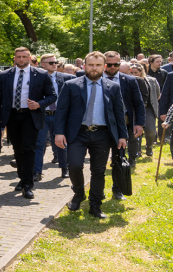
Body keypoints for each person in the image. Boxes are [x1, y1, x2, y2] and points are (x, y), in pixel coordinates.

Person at [54, 52, 128, 219]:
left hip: (102, 135)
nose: (94, 68)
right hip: (77, 133)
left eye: (98, 65)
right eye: (91, 65)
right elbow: (62, 111)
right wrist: (59, 132)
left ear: (104, 67)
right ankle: (79, 193)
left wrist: (122, 136)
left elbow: (118, 114)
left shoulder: (113, 87)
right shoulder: (71, 85)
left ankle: (95, 205)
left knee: (98, 171)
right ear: (84, 66)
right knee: (73, 166)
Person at [0, 47, 57, 199]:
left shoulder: (41, 74)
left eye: (24, 57)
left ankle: (28, 184)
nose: (21, 59)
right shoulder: (5, 75)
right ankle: (23, 178)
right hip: (13, 116)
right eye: (19, 57)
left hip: (31, 116)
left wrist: (39, 104)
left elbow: (52, 95)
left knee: (29, 149)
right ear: (14, 58)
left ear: (30, 58)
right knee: (18, 150)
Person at [103, 51, 145, 187]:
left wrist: (139, 123)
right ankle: (97, 191)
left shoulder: (130, 80)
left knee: (119, 157)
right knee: (99, 160)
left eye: (116, 64)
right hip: (100, 124)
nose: (112, 67)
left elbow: (138, 103)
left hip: (122, 124)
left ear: (120, 63)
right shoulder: (95, 79)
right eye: (109, 65)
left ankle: (118, 188)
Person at [35, 53, 71, 180]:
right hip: (42, 115)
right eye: (51, 63)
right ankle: (37, 172)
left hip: (59, 116)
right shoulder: (36, 77)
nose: (55, 65)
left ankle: (65, 168)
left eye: (56, 62)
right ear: (43, 64)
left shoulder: (66, 78)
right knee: (39, 144)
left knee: (62, 143)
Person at [133, 62, 160, 156]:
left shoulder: (152, 80)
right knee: (135, 131)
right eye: (131, 72)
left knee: (151, 131)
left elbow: (157, 95)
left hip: (148, 109)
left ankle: (149, 146)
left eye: (135, 72)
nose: (133, 75)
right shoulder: (128, 81)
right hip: (133, 110)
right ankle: (137, 150)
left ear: (141, 72)